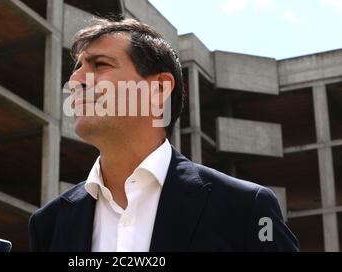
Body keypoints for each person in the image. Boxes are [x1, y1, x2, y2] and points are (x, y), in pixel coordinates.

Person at [29, 19, 299, 252]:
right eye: (76, 68)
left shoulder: (247, 209)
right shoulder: (48, 224)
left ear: (159, 88)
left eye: (99, 64)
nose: (75, 81)